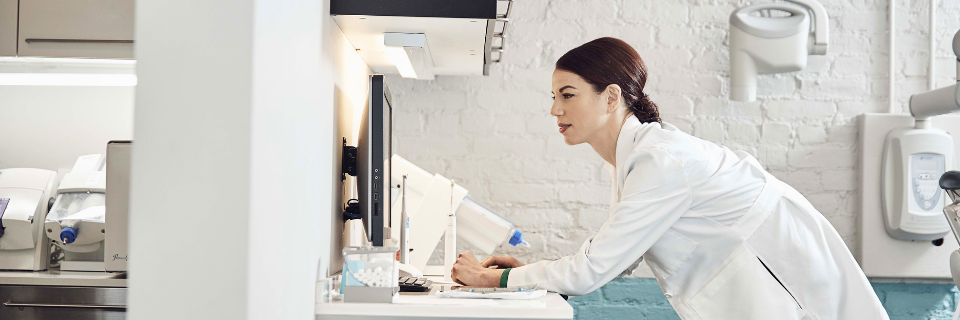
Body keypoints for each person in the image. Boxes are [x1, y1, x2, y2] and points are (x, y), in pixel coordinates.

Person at [450, 37, 888, 320]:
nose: (554, 110)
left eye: (567, 95)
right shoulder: (631, 159)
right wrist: (532, 273)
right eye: (554, 97)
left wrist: (496, 280)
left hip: (791, 283)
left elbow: (591, 271)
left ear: (611, 97)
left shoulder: (660, 163)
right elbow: (617, 259)